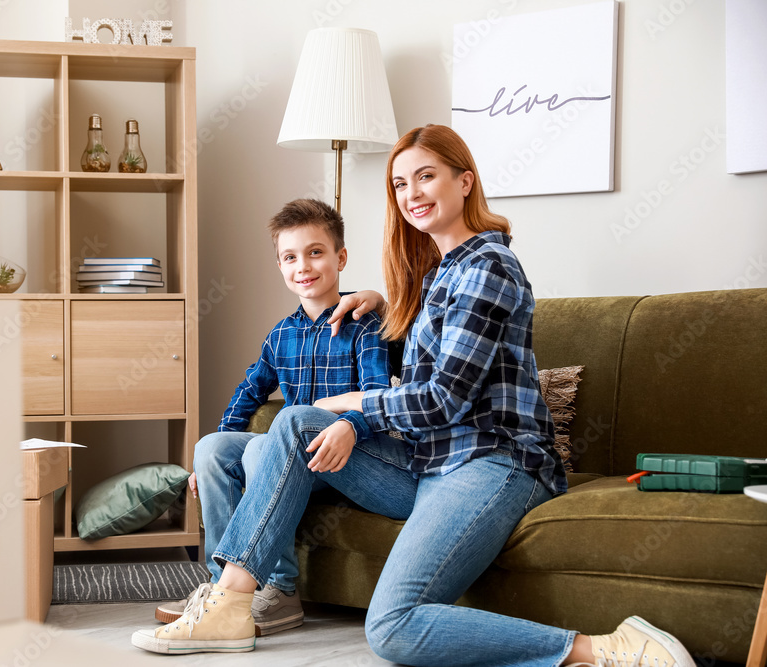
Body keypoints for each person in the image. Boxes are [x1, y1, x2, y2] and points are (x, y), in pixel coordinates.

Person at [131, 125, 696, 667]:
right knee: (294, 423)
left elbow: (442, 399)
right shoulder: (437, 276)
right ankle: (231, 601)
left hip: (493, 462)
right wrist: (376, 302)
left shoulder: (490, 266)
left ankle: (607, 650)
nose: (411, 193)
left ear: (464, 181)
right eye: (400, 184)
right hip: (430, 463)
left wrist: (355, 410)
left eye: (425, 176)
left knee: (392, 626)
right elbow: (414, 371)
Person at [151, 198, 391, 638]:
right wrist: (220, 440)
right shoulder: (280, 335)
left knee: (265, 444)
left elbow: (379, 398)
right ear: (279, 265)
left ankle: (278, 589)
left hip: (348, 456)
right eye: (290, 256)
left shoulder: (365, 323)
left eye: (316, 252)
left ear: (340, 257)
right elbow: (249, 392)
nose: (304, 265)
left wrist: (353, 428)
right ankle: (222, 584)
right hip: (293, 459)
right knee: (211, 448)